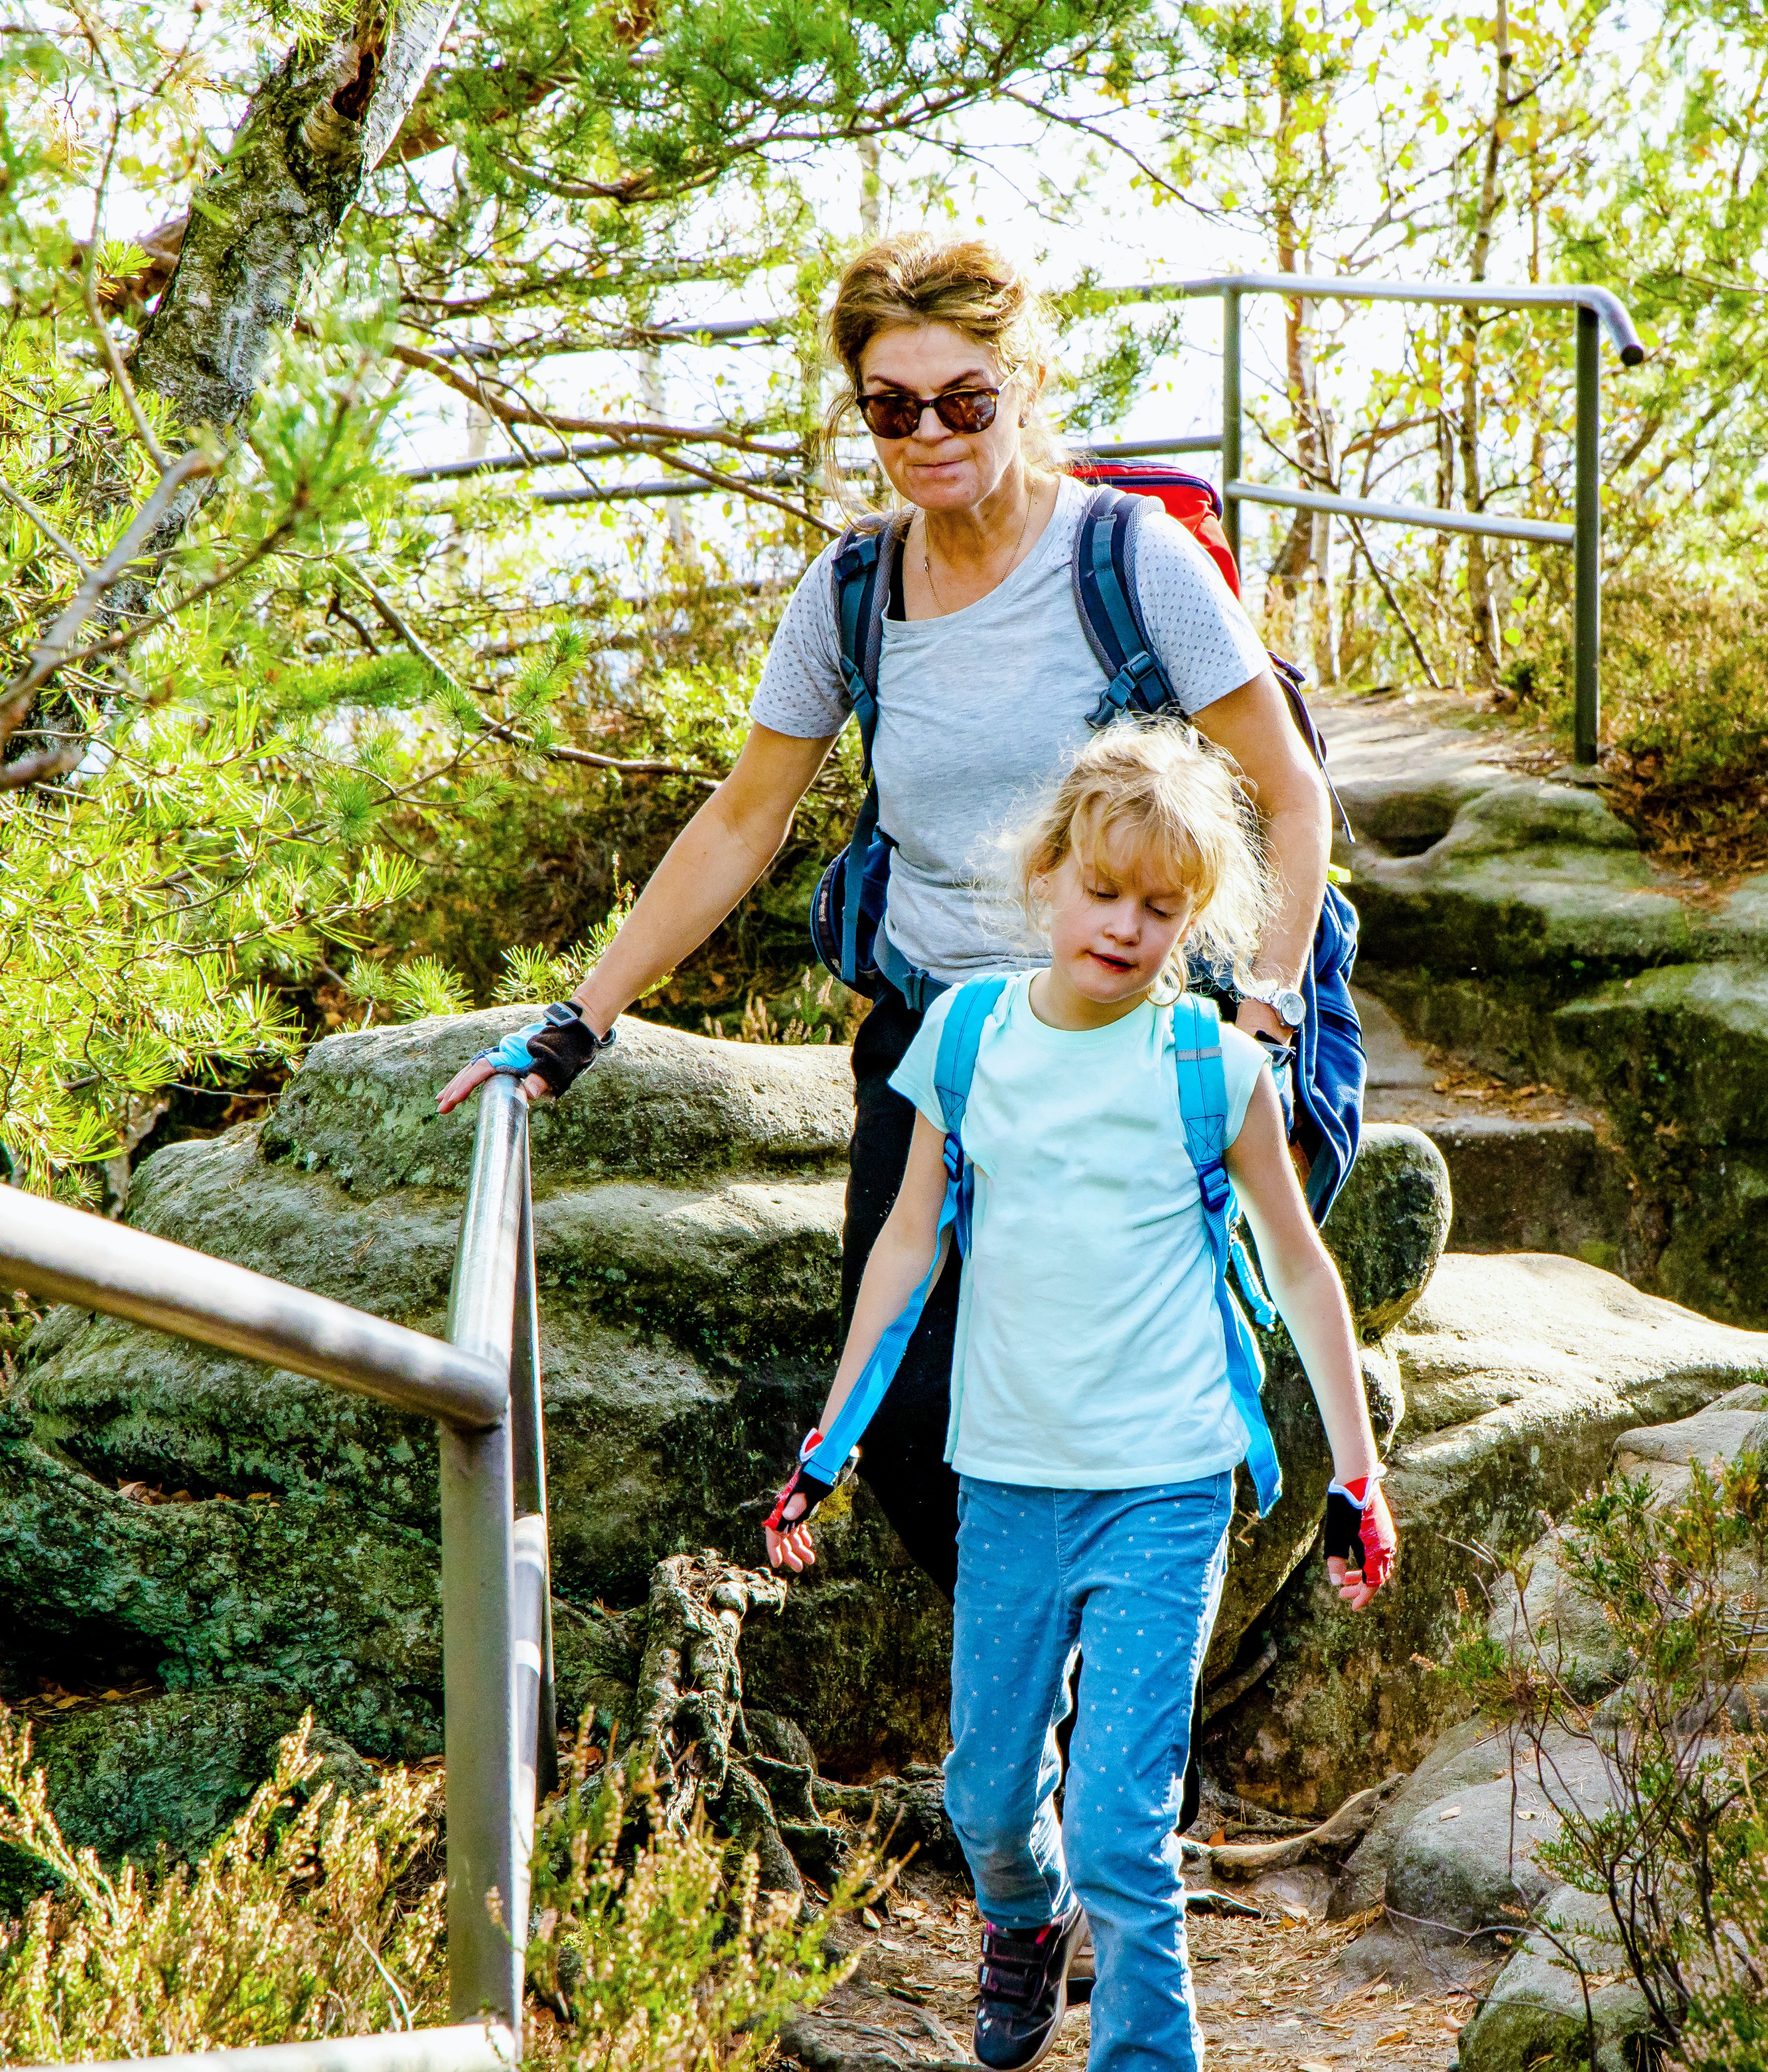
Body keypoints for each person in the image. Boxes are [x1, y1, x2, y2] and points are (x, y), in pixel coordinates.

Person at [432, 229, 1336, 1604]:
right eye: (892, 407)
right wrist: (581, 1018)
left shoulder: (1129, 555)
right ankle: (1045, 1720)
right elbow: (744, 818)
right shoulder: (853, 591)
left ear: (1027, 383)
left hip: (1131, 1036)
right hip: (945, 1043)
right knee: (908, 1426)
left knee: (1124, 1410)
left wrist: (1264, 1007)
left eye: (966, 399)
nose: (931, 433)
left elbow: (1288, 790)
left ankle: (1118, 1757)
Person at [760, 724, 1396, 2072]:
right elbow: (907, 1242)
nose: (1124, 925)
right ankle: (1025, 1917)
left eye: (1161, 907)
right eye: (1102, 890)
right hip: (1009, 1479)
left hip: (1166, 1486)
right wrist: (836, 1434)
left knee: (1123, 1822)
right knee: (988, 1799)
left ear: (1195, 918)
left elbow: (1300, 1264)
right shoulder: (969, 1033)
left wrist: (1357, 1470)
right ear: (1048, 874)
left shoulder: (1213, 1070)